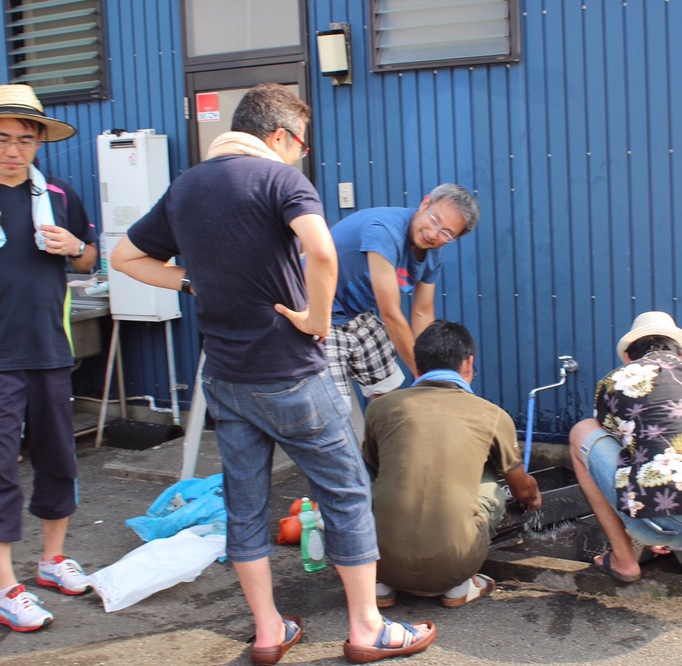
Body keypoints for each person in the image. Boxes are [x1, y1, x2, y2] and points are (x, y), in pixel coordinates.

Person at [110, 83, 434, 665]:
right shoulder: (280, 180)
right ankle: (367, 628)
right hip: (292, 375)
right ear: (280, 135)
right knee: (347, 492)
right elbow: (323, 251)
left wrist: (190, 281)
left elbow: (125, 258)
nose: (300, 156)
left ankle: (267, 631)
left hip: (224, 378)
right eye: (301, 145)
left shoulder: (185, 187)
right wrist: (316, 318)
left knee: (245, 504)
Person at [0, 84, 97, 633]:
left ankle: (52, 560)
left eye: (24, 140)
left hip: (50, 349)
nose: (13, 151)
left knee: (59, 458)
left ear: (38, 141)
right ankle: (4, 585)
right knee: (1, 469)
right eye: (2, 139)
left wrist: (74, 248)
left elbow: (89, 259)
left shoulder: (58, 196)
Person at [568, 311, 682, 589]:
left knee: (582, 431)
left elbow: (618, 444)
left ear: (628, 357)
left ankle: (623, 559)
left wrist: (656, 510)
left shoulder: (617, 379)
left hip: (658, 522)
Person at [362, 320, 541, 608]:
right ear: (468, 364)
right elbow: (521, 489)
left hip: (378, 563)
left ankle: (381, 587)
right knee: (490, 483)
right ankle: (459, 585)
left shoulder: (380, 408)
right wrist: (532, 498)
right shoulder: (490, 415)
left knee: (378, 480)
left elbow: (373, 467)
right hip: (452, 566)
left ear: (416, 366)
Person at [326, 184, 479, 408]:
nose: (433, 234)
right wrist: (425, 375)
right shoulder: (385, 231)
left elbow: (422, 312)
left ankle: (382, 428)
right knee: (334, 408)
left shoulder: (434, 253)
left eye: (446, 233)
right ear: (425, 203)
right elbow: (390, 314)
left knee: (389, 389)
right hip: (315, 308)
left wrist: (431, 365)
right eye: (434, 219)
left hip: (354, 312)